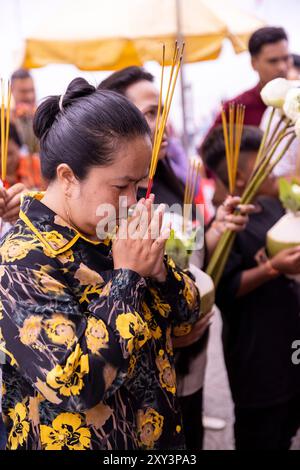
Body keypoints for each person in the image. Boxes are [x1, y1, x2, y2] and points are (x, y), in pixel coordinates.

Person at [0, 77, 204, 451]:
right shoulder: (22, 260)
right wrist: (126, 278)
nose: (131, 200)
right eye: (121, 185)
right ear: (68, 177)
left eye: (138, 185)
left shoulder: (110, 228)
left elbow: (188, 313)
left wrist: (158, 271)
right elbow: (76, 386)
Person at [100, 67, 255, 449]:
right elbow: (111, 288)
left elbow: (195, 255)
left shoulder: (174, 181)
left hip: (195, 364)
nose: (162, 123)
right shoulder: (110, 203)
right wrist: (165, 336)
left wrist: (218, 228)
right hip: (149, 376)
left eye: (163, 112)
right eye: (150, 112)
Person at [202, 125, 300, 450]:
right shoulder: (227, 225)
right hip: (255, 359)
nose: (275, 169)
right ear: (240, 178)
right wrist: (273, 267)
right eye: (265, 164)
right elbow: (226, 290)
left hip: (288, 348)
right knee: (261, 436)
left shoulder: (273, 206)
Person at [209, 27, 292, 130]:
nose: (282, 67)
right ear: (254, 63)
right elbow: (211, 145)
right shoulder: (236, 109)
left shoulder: (296, 101)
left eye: (286, 58)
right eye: (273, 61)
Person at [11, 69, 42, 189]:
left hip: (37, 185)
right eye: (23, 91)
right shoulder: (5, 120)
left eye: (32, 90)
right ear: (11, 91)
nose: (29, 96)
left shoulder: (39, 118)